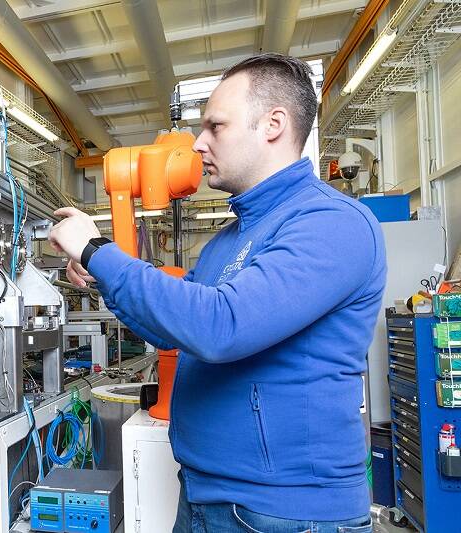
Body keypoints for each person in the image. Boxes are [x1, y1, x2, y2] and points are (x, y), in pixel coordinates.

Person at [49, 53, 385, 532]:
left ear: (273, 124)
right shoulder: (230, 238)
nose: (200, 143)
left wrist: (98, 250)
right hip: (208, 495)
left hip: (285, 514)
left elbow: (219, 326)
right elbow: (175, 324)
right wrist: (103, 273)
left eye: (215, 126)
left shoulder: (331, 223)